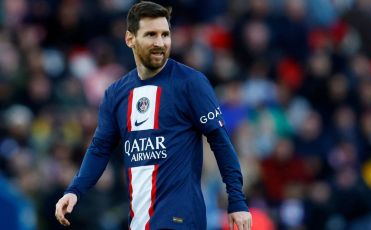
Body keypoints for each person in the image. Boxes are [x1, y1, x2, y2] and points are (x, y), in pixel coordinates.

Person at [55, 1, 252, 229]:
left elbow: (220, 141)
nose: (160, 43)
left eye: (165, 35)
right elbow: (100, 148)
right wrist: (75, 190)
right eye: (151, 35)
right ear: (130, 39)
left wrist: (237, 200)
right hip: (139, 222)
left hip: (181, 220)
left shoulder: (190, 83)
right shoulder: (116, 93)